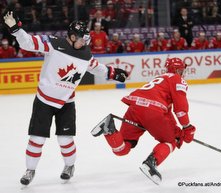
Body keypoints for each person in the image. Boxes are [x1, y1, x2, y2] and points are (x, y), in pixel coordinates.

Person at [3, 11, 128, 186]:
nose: (85, 43)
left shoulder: (85, 54)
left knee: (65, 140)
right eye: (82, 39)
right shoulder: (53, 44)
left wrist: (114, 73)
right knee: (37, 139)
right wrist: (16, 29)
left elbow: (96, 67)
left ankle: (69, 166)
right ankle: (30, 170)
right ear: (72, 36)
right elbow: (29, 43)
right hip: (44, 102)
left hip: (67, 103)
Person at [91, 57, 196, 185]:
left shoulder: (160, 78)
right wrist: (187, 128)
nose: (182, 73)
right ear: (177, 70)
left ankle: (109, 130)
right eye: (181, 70)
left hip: (135, 107)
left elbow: (166, 113)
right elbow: (180, 109)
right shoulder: (177, 79)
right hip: (153, 110)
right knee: (171, 141)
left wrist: (176, 130)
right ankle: (151, 163)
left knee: (122, 149)